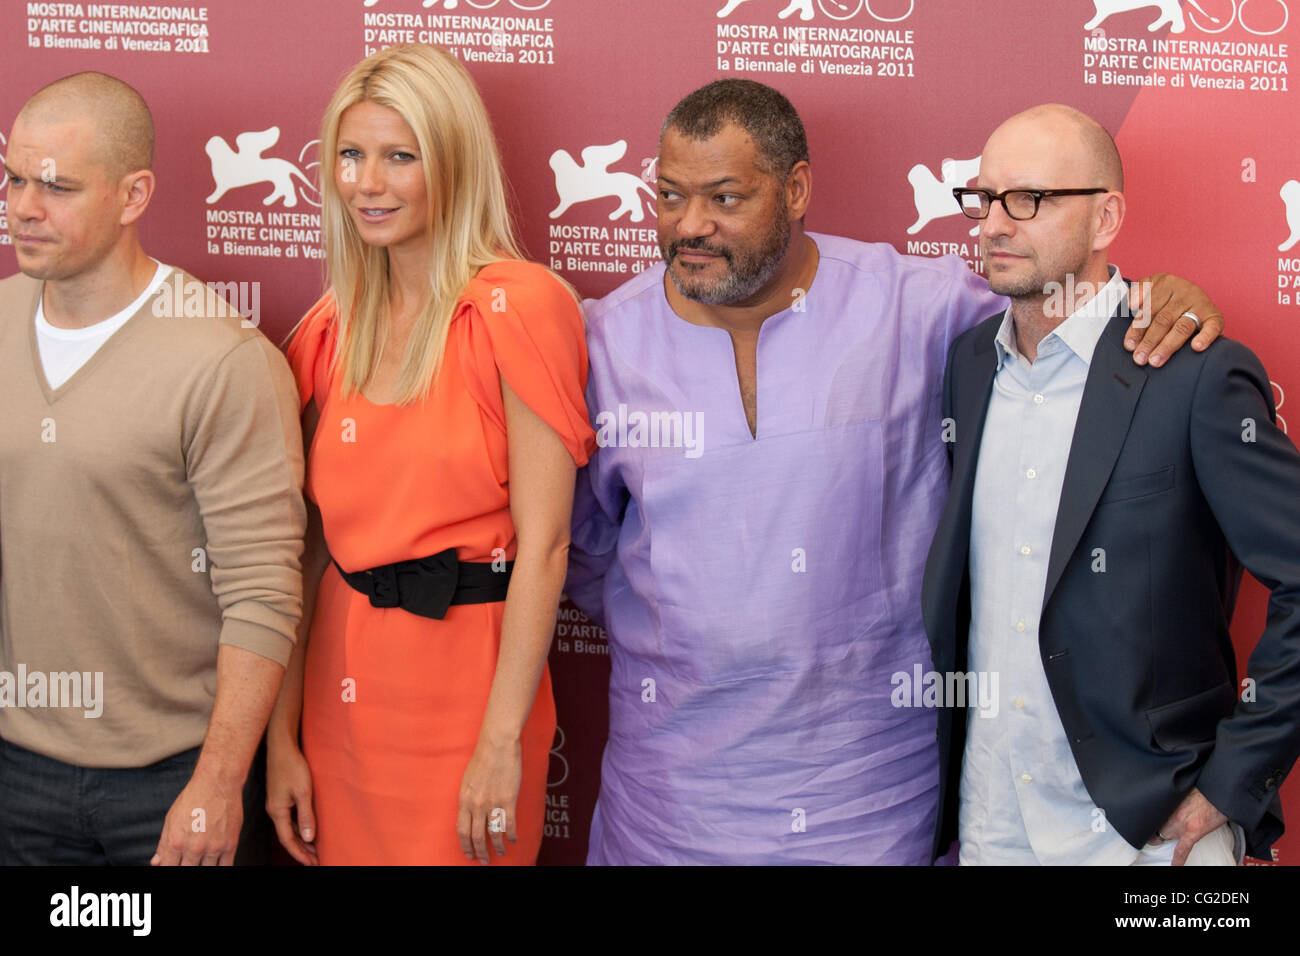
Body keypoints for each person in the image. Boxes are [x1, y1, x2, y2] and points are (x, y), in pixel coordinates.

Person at [564, 79, 1224, 865]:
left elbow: (1064, 309)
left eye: (725, 197)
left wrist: (1152, 298)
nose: (690, 225)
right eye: (669, 196)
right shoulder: (601, 342)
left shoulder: (919, 305)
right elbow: (580, 546)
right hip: (670, 799)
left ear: (797, 188)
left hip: (873, 794)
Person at [922, 104, 1300, 866]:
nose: (994, 224)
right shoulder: (967, 364)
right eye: (983, 197)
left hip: (1152, 836)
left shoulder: (1191, 372)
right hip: (991, 819)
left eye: (1028, 199)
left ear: (1106, 218)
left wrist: (1231, 783)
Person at [266, 44, 595, 866]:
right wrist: (282, 738)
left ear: (451, 162)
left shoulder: (519, 307)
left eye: (399, 157)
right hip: (341, 692)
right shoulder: (331, 328)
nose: (366, 183)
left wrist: (500, 740)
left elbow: (546, 546)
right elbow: (303, 552)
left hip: (469, 690)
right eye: (350, 155)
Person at [0, 72, 306, 865]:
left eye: (57, 187)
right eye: (13, 178)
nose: (24, 207)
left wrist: (215, 784)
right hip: (15, 770)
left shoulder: (224, 360)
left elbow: (264, 596)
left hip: (169, 783)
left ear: (134, 196)